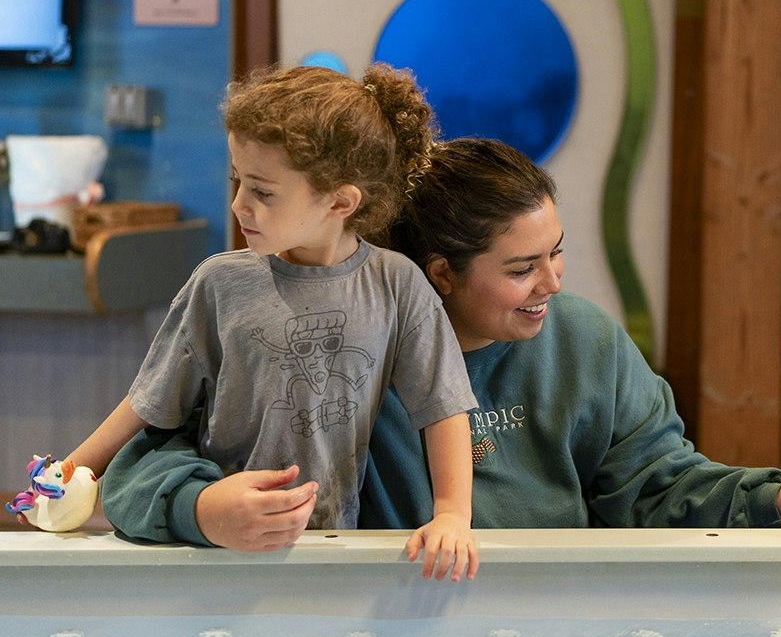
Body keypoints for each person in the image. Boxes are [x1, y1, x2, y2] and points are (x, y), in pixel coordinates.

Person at [99, 137, 781, 547]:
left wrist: (780, 500)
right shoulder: (337, 345)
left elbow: (658, 484)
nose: (553, 282)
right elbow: (135, 470)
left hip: (553, 626)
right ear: (440, 276)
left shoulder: (584, 340)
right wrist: (201, 509)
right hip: (387, 627)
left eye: (556, 252)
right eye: (521, 268)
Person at [73, 64, 479, 580]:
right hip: (213, 540)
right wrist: (73, 470)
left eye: (263, 192)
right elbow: (148, 401)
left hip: (332, 546)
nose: (239, 203)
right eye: (238, 180)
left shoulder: (396, 285)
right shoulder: (218, 283)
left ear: (340, 201)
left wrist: (452, 515)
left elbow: (443, 407)